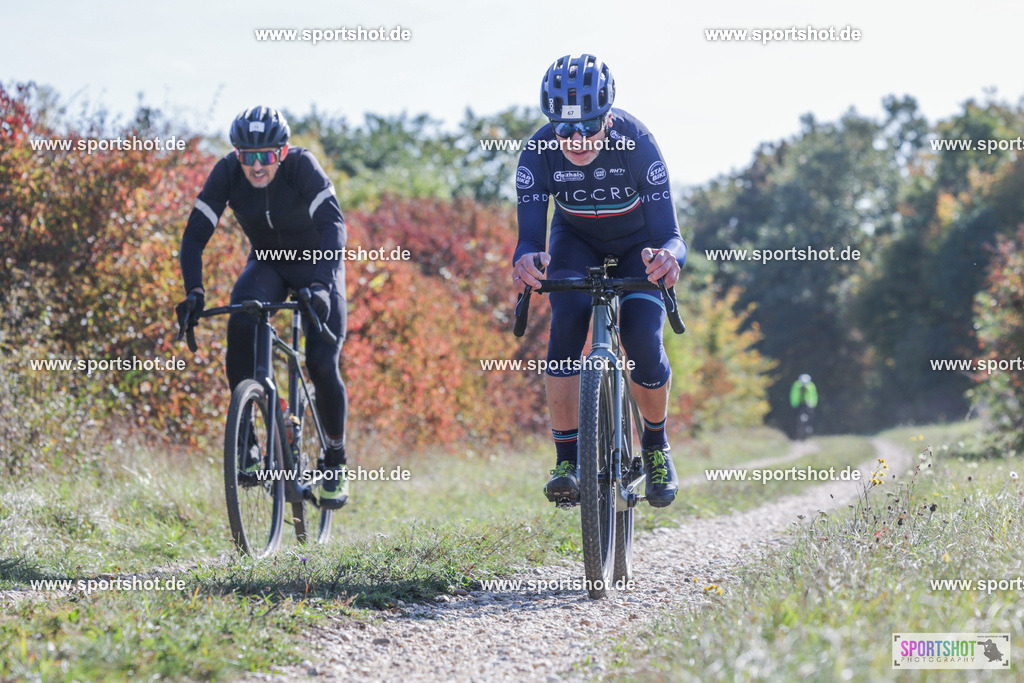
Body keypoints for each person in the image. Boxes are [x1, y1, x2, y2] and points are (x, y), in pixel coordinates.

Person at [512, 54, 687, 508]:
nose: (576, 139)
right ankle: (567, 460)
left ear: (608, 116)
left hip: (639, 244)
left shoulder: (638, 142)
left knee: (641, 340)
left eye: (589, 126)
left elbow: (671, 235)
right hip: (575, 241)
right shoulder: (537, 152)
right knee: (567, 321)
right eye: (564, 128)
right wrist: (527, 261)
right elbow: (528, 239)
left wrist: (669, 257)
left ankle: (654, 446)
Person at [176, 106, 350, 509]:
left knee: (322, 362)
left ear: (282, 152)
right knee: (240, 320)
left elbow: (333, 227)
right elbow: (194, 236)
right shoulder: (226, 172)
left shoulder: (303, 166)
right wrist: (194, 291)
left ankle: (336, 460)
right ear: (237, 155)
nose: (256, 166)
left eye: (266, 155)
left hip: (315, 264)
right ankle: (249, 444)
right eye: (247, 156)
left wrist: (323, 286)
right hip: (268, 260)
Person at [789, 373, 818, 438]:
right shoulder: (796, 385)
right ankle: (794, 431)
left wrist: (812, 404)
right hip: (798, 403)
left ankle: (809, 427)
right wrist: (794, 404)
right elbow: (793, 395)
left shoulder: (811, 386)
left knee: (811, 415)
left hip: (808, 403)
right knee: (795, 416)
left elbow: (813, 396)